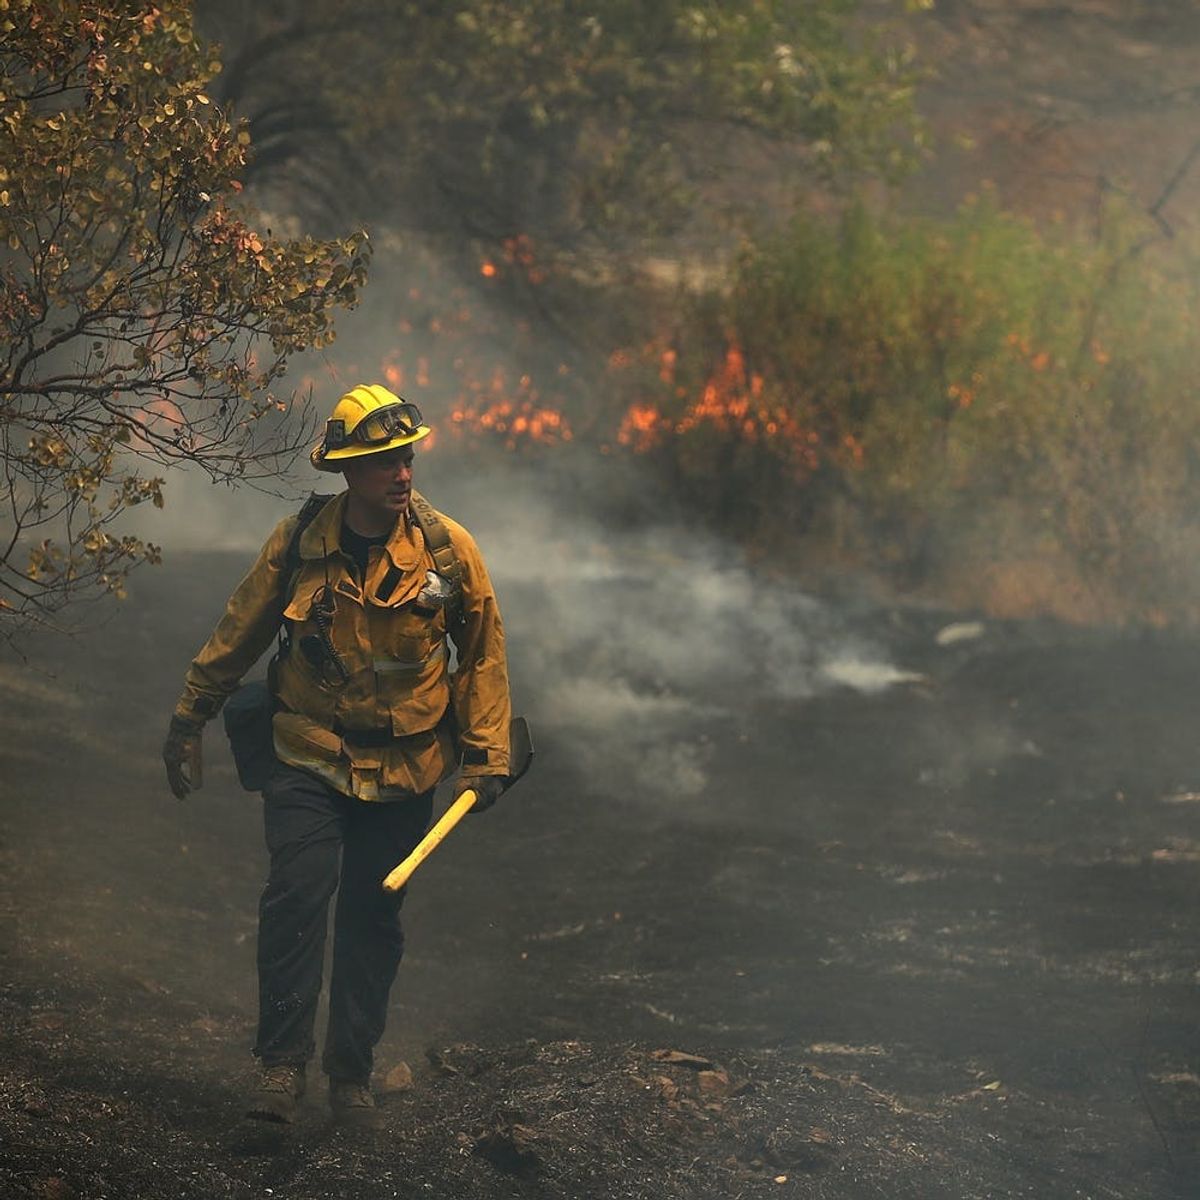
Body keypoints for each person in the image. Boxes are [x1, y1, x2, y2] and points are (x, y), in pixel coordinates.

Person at [161, 384, 511, 1128]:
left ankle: (350, 1076)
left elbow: (482, 654)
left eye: (407, 458)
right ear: (348, 470)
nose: (402, 473)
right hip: (308, 754)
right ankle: (280, 1070)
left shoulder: (449, 552)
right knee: (296, 899)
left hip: (407, 769)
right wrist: (190, 716)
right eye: (385, 462)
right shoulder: (297, 544)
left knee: (373, 918)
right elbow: (240, 631)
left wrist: (487, 755)